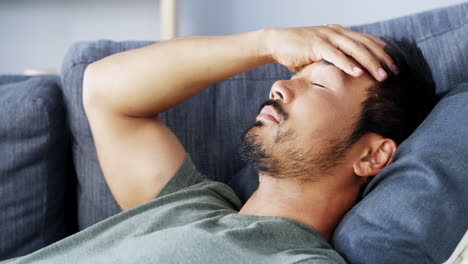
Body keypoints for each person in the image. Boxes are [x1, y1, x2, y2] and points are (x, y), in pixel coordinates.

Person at [2, 25, 436, 263]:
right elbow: (103, 90)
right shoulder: (186, 203)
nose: (280, 85)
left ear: (372, 155)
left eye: (319, 84)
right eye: (293, 73)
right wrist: (267, 43)